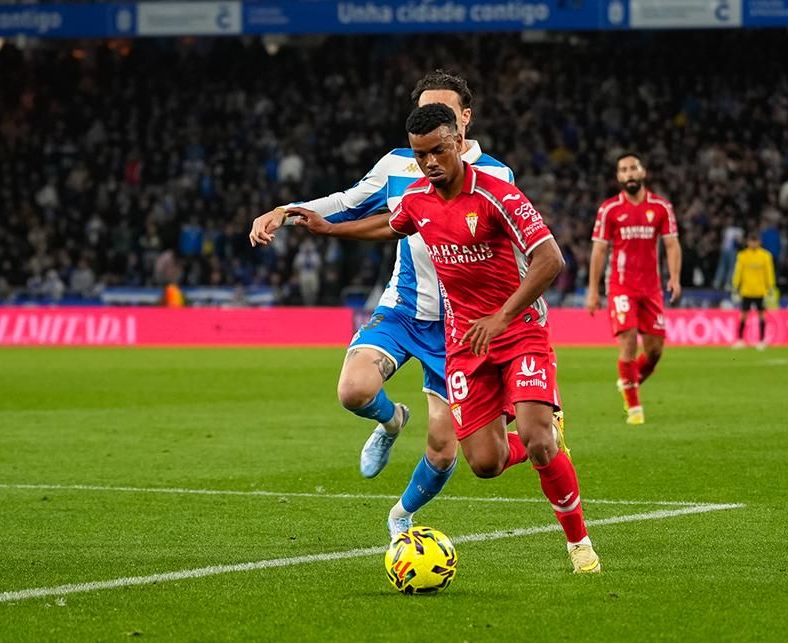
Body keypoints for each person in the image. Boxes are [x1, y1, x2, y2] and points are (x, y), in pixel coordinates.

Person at [289, 103, 600, 574]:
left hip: (519, 331)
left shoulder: (498, 195)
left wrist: (502, 316)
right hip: (463, 343)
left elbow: (550, 260)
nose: (430, 162)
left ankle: (579, 544)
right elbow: (389, 226)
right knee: (486, 462)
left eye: (438, 150)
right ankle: (548, 438)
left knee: (535, 439)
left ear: (458, 143)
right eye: (420, 155)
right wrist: (331, 228)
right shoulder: (417, 199)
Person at [248, 71, 514, 538]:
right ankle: (391, 421)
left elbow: (511, 255)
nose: (433, 122)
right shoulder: (398, 165)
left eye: (445, 112)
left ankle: (401, 516)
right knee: (353, 389)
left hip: (460, 325)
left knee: (444, 448)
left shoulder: (495, 175)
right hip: (404, 309)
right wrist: (283, 212)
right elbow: (345, 204)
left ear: (465, 118)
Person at [586, 153, 682, 426]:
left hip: (651, 288)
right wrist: (593, 290)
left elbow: (672, 244)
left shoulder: (661, 207)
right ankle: (634, 408)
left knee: (654, 351)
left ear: (643, 173)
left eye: (632, 168)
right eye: (623, 170)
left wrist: (674, 277)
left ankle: (628, 381)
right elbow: (599, 250)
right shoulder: (609, 210)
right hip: (621, 286)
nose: (628, 174)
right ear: (619, 177)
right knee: (627, 340)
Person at [732, 233, 776, 351]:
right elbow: (738, 272)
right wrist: (735, 286)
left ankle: (761, 341)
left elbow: (769, 272)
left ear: (759, 242)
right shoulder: (742, 256)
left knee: (762, 316)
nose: (753, 243)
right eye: (751, 241)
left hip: (760, 291)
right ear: (748, 242)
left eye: (755, 241)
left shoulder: (766, 256)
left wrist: (771, 287)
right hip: (746, 291)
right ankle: (740, 340)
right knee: (743, 316)